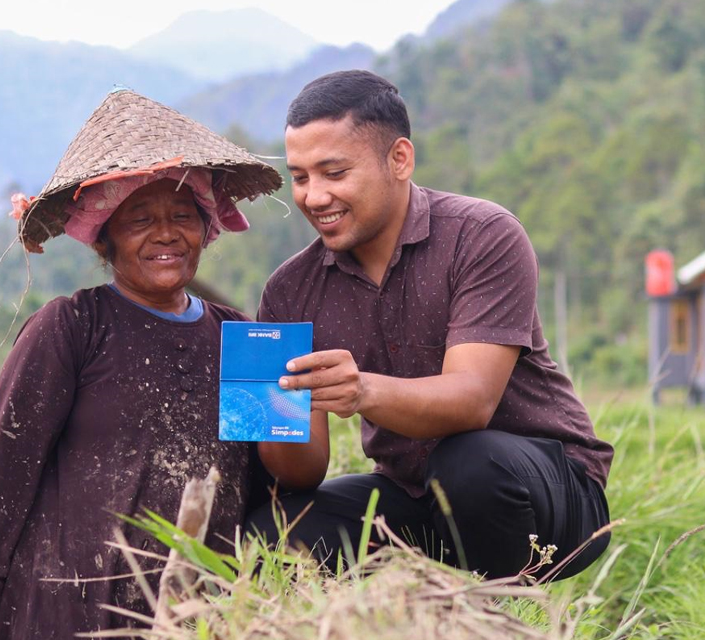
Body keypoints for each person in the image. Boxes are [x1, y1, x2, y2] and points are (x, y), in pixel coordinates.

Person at [0, 90, 316, 639]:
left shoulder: (243, 338)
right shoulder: (70, 328)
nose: (165, 233)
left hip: (197, 617)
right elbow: (7, 475)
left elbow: (279, 482)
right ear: (105, 239)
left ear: (206, 228)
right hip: (66, 614)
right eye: (139, 219)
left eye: (182, 216)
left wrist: (304, 396)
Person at [246, 71, 614, 580]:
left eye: (334, 173)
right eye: (301, 177)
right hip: (414, 495)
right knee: (271, 533)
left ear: (399, 159)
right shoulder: (291, 290)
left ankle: (496, 613)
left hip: (546, 493)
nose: (314, 197)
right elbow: (301, 473)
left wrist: (360, 391)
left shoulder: (483, 236)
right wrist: (275, 409)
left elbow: (472, 401)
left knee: (470, 462)